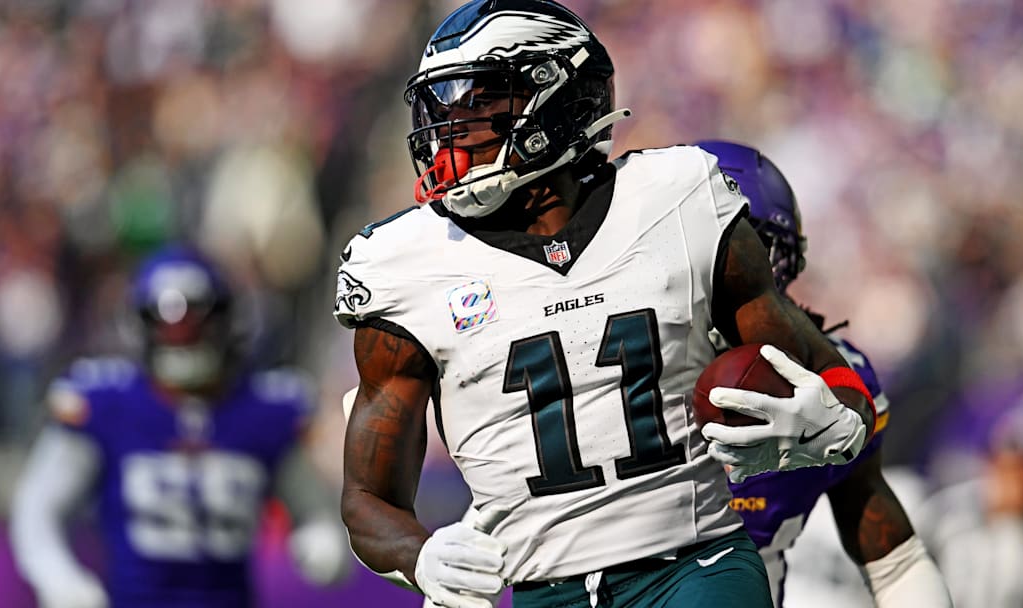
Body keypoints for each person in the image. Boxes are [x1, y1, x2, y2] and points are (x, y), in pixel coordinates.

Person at [334, 2, 877, 607]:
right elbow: (368, 500)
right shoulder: (405, 264)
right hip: (544, 592)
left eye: (482, 103)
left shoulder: (678, 200)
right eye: (445, 107)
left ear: (558, 98)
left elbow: (828, 371)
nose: (453, 128)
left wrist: (834, 423)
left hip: (696, 566)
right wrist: (421, 556)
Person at [10, 246, 349, 608]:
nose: (183, 338)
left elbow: (312, 507)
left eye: (195, 324)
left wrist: (323, 537)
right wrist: (59, 577)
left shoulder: (266, 407)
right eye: (169, 326)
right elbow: (38, 508)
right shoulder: (105, 401)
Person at [695, 140, 952, 608]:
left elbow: (895, 561)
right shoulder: (620, 372)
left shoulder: (830, 381)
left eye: (750, 250)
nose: (733, 272)